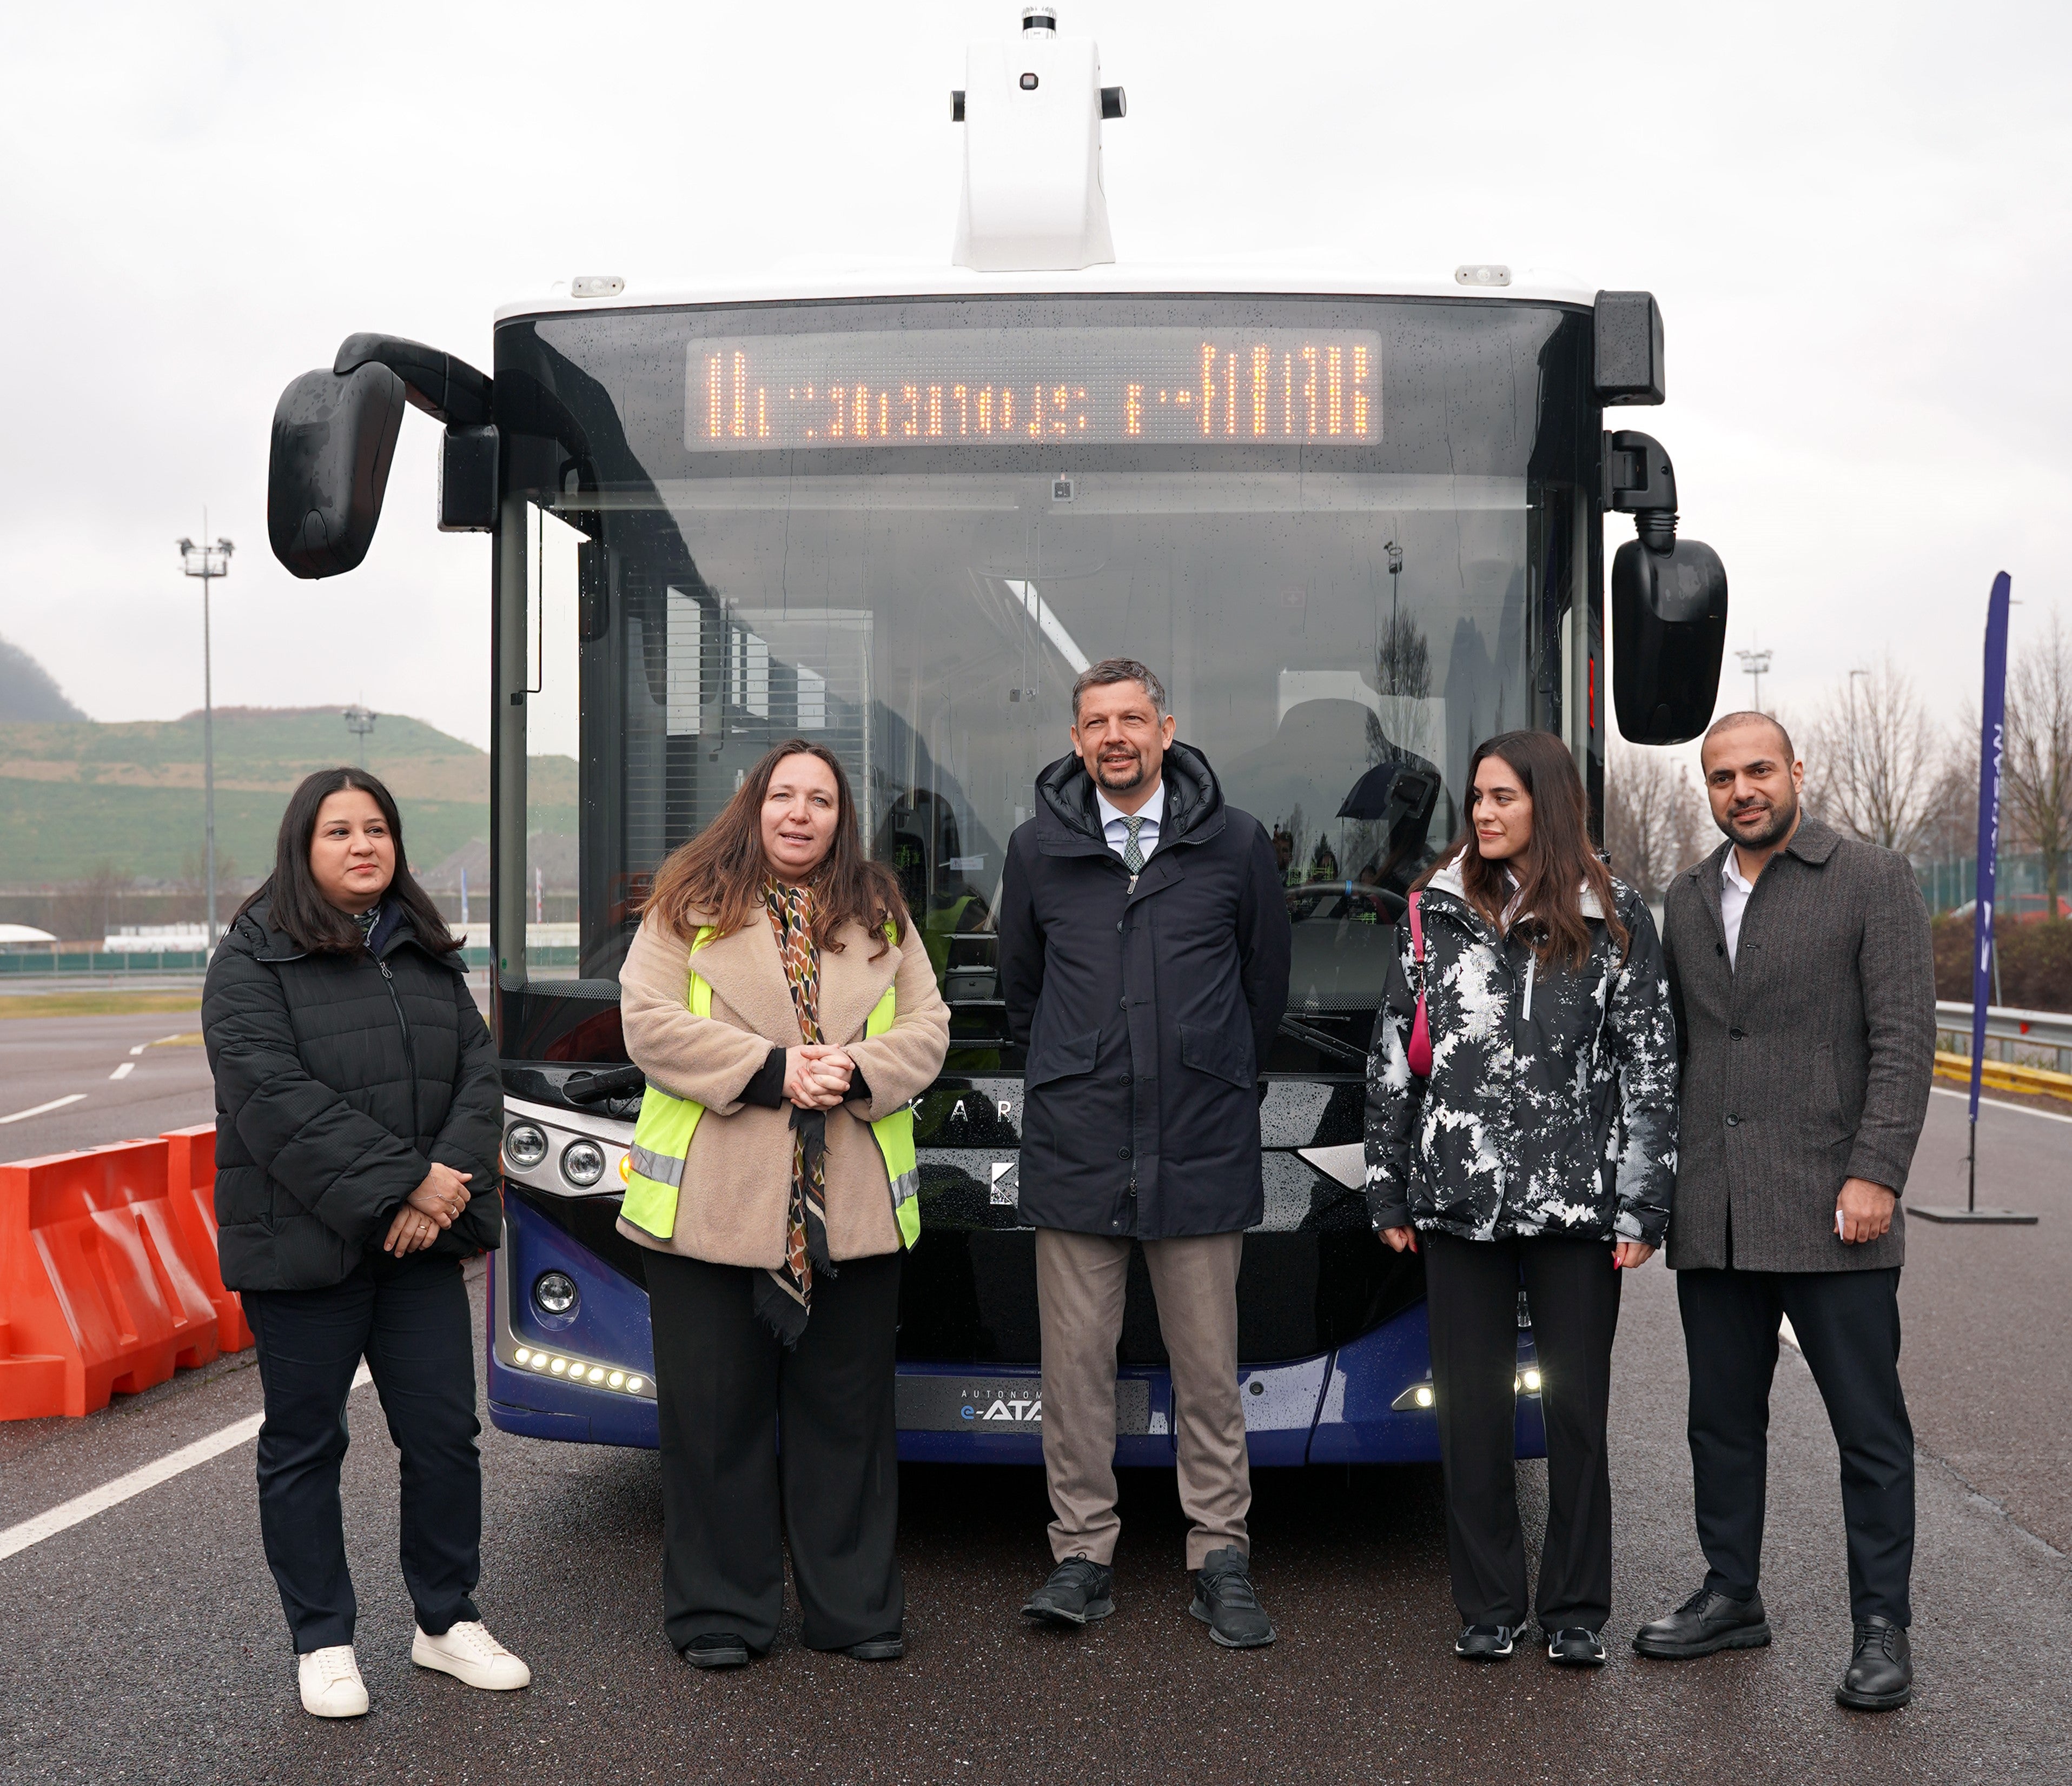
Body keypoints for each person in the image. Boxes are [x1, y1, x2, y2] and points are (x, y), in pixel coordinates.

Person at [617, 740, 949, 1668]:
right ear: (754, 805)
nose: (801, 814)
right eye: (784, 796)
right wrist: (771, 1069)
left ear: (843, 820)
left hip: (849, 1213)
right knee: (714, 1424)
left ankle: (855, 1611)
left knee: (847, 1422)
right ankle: (720, 1615)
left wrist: (858, 1070)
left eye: (823, 801)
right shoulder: (688, 905)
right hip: (708, 1212)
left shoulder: (880, 913)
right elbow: (647, 1024)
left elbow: (930, 1027)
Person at [203, 768, 525, 1719]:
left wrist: (439, 1190)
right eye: (338, 830)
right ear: (302, 846)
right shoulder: (252, 962)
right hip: (301, 1251)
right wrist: (405, 1185)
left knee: (443, 1435)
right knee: (307, 1443)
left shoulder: (425, 951)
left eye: (376, 829)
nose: (362, 846)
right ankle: (323, 1640)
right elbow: (274, 1105)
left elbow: (479, 1074)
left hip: (418, 1246)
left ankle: (444, 1619)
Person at [1634, 712, 1934, 1712]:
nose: (1741, 791)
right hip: (1713, 1211)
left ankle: (1880, 1627)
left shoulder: (1870, 877)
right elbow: (1672, 1052)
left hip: (1833, 1207)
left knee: (1869, 1431)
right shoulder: (1682, 899)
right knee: (1720, 1425)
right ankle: (1732, 1596)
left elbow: (1903, 1039)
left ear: (1796, 771)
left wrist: (1876, 1172)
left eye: (1758, 770)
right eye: (1721, 778)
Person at [998, 659, 1293, 1649]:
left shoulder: (1237, 844)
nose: (1114, 736)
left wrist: (1207, 1076)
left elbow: (1264, 993)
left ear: (1167, 729)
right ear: (1076, 740)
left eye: (1132, 719)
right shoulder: (1037, 851)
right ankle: (1081, 1555)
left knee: (1209, 1372)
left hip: (1201, 1150)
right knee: (1074, 1372)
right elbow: (1023, 997)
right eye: (1096, 723)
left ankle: (1221, 1556)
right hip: (1077, 1150)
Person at [1367, 728, 1678, 1666]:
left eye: (1502, 797)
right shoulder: (1431, 909)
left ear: (1548, 802)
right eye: (1476, 799)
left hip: (1577, 1212)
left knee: (1577, 1415)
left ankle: (1576, 1610)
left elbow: (1651, 1069)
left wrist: (1643, 1205)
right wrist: (1387, 1188)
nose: (1483, 814)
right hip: (1456, 1201)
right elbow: (1395, 1053)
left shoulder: (1617, 916)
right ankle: (1490, 1607)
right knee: (1471, 1416)